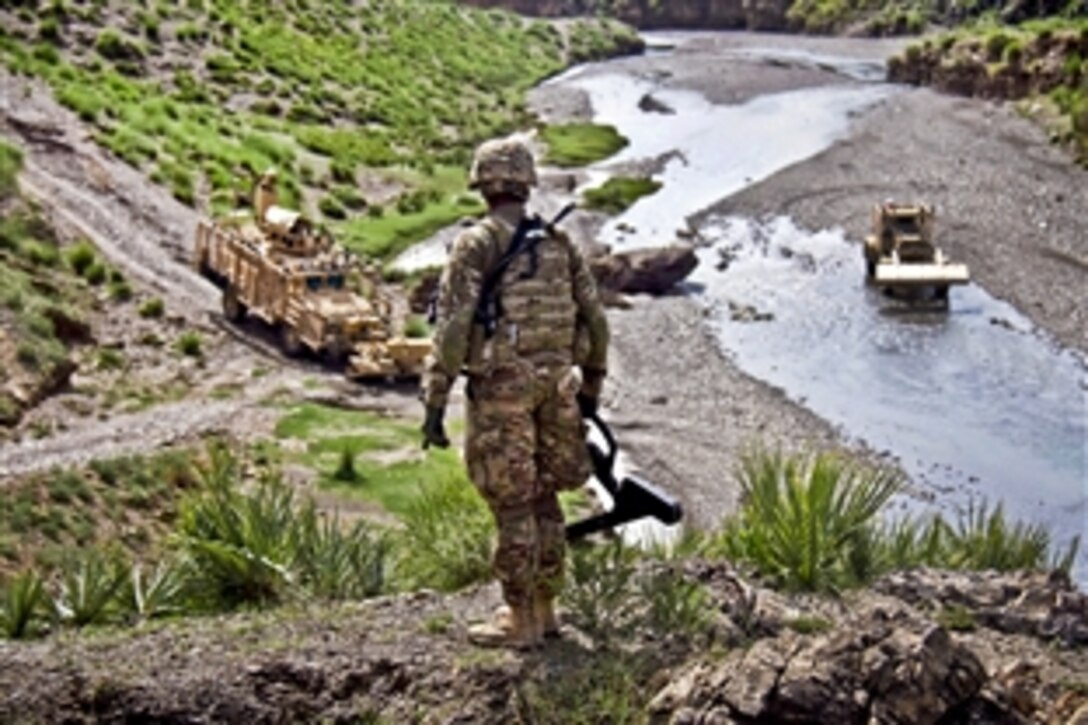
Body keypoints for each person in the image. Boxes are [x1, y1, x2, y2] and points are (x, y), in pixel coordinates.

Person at [421, 137, 609, 649]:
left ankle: (518, 618)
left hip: (503, 391)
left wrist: (435, 402)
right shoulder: (559, 243)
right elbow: (596, 320)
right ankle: (546, 611)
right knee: (545, 497)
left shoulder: (476, 243)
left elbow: (454, 329)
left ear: (482, 184)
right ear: (526, 184)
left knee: (512, 503)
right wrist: (590, 388)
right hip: (557, 389)